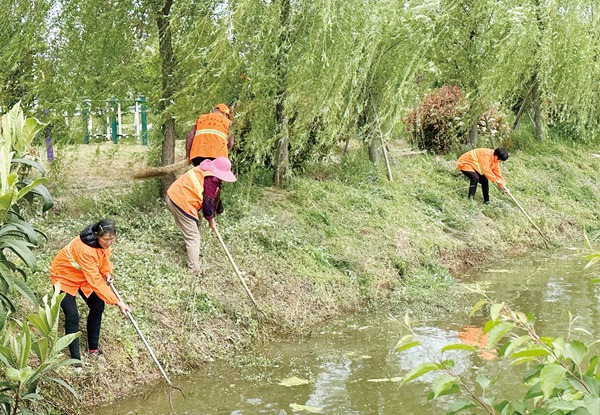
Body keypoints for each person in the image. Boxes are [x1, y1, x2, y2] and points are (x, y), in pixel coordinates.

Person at [50, 219, 130, 361]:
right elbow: (95, 281)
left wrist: (107, 273)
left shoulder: (103, 245)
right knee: (72, 316)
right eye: (106, 239)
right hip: (64, 277)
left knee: (98, 306)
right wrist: (117, 302)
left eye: (112, 239)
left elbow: (104, 261)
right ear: (97, 235)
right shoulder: (85, 249)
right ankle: (75, 360)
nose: (109, 242)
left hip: (83, 276)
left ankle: (93, 349)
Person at [165, 156, 237, 276]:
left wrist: (210, 217)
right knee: (193, 237)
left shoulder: (204, 169)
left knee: (197, 221)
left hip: (173, 196)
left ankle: (194, 251)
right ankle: (194, 270)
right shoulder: (211, 180)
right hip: (180, 202)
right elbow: (208, 203)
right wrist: (211, 220)